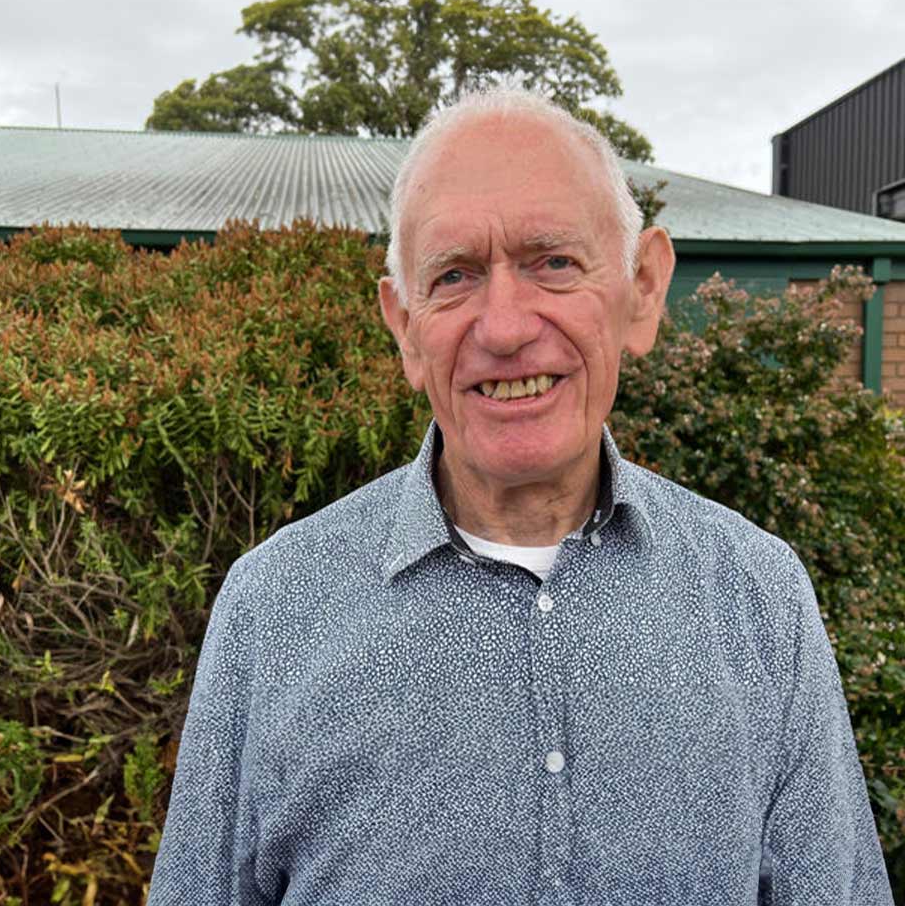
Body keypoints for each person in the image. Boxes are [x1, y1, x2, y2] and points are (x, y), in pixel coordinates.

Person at [146, 88, 893, 905]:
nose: (503, 327)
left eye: (554, 262)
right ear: (404, 326)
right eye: (455, 275)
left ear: (643, 288)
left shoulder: (759, 597)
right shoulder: (275, 608)